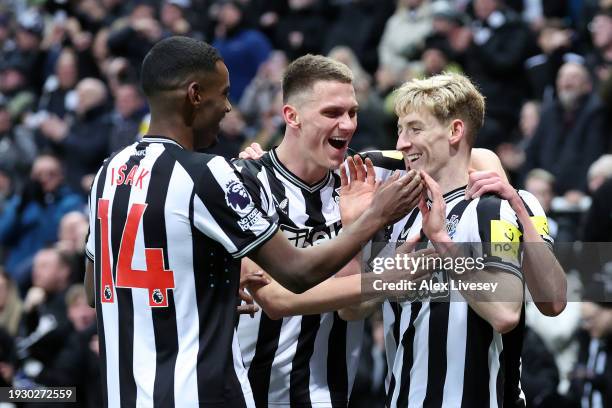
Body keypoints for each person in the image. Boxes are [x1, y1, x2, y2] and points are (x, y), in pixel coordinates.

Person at [84, 36, 418, 408]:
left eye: (352, 112)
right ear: (195, 95)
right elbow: (293, 279)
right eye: (223, 94)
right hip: (206, 392)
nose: (228, 107)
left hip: (127, 393)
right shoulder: (221, 175)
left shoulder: (111, 170)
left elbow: (93, 289)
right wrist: (380, 234)